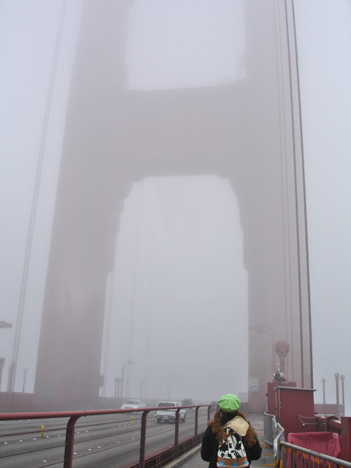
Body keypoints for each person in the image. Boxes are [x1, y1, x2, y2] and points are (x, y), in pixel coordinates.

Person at [201, 394, 262, 468]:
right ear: (237, 408)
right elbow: (256, 454)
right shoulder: (245, 427)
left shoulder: (213, 428)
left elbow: (205, 455)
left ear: (220, 408)